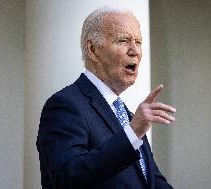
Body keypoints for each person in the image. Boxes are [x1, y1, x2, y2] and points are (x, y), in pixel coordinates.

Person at [37, 7, 176, 189]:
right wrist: (131, 134)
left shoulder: (127, 114)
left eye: (138, 42)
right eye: (123, 41)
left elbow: (152, 182)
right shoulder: (65, 105)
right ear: (92, 49)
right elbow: (67, 178)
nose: (134, 51)